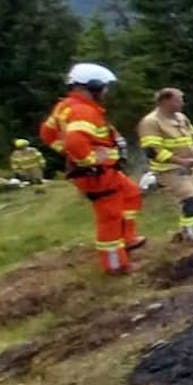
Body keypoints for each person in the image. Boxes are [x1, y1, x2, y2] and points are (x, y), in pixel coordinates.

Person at [41, 63, 145, 275]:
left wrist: (71, 154)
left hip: (104, 171)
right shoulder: (82, 111)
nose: (106, 91)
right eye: (105, 87)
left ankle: (128, 238)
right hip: (97, 175)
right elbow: (74, 141)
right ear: (94, 86)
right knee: (110, 217)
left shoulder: (66, 106)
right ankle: (116, 265)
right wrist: (89, 160)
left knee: (131, 193)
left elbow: (47, 133)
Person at [137, 87, 193, 243]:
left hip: (191, 168)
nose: (182, 103)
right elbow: (152, 151)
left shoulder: (181, 117)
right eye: (179, 100)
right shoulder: (151, 122)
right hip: (170, 170)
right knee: (190, 199)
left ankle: (185, 234)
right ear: (165, 101)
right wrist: (181, 161)